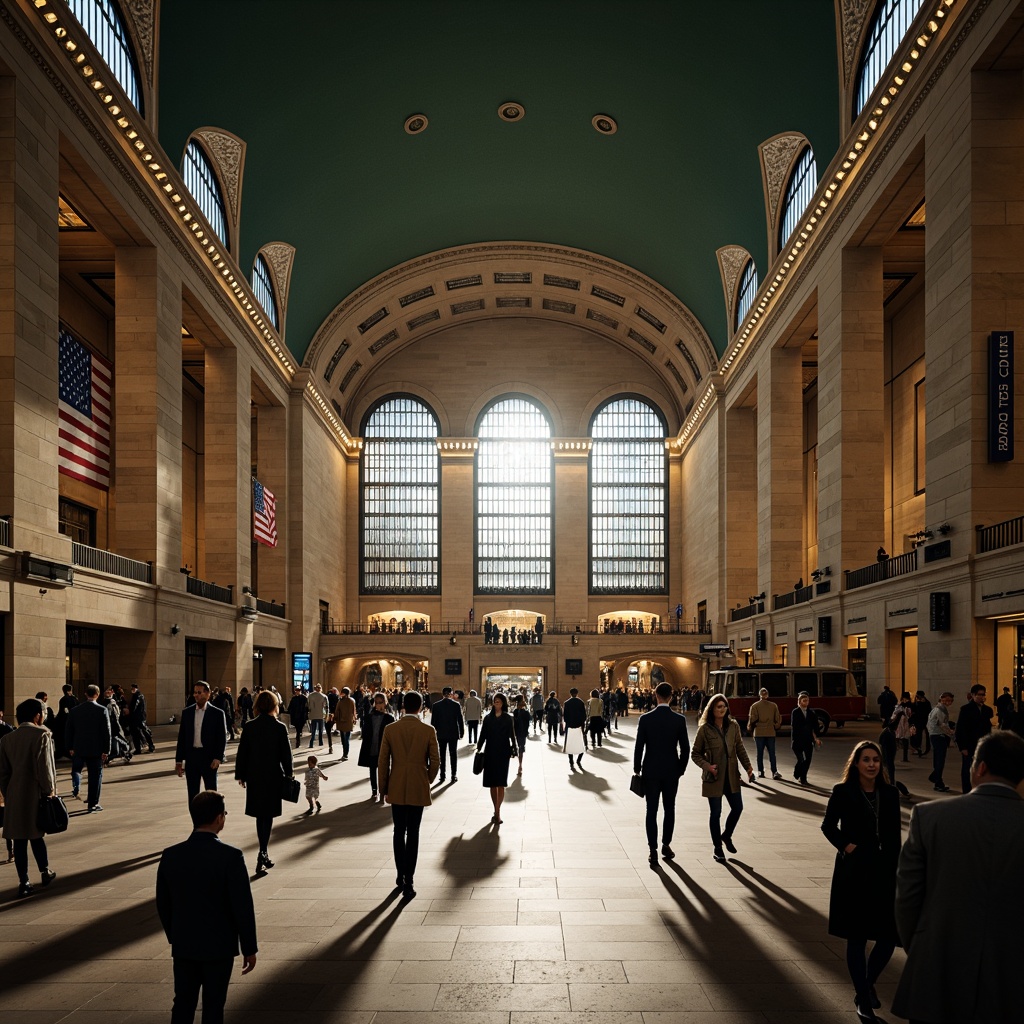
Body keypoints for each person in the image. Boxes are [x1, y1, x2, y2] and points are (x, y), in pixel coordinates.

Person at [892, 731, 1024, 1024]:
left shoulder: (929, 816)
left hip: (937, 970)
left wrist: (926, 949)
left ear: (980, 768)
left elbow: (907, 899)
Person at [156, 791, 257, 1024]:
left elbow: (163, 902)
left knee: (182, 1002)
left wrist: (175, 935)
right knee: (214, 1004)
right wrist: (249, 947)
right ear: (219, 818)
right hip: (219, 946)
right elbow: (242, 905)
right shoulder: (231, 856)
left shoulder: (171, 855)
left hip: (184, 944)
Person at [820, 740, 901, 1023]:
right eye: (866, 759)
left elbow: (894, 835)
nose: (871, 765)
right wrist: (848, 847)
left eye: (875, 760)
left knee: (889, 936)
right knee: (857, 936)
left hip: (884, 871)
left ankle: (866, 984)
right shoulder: (843, 792)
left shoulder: (890, 794)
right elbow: (828, 826)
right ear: (856, 764)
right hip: (854, 871)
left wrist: (897, 865)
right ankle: (864, 1001)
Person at [378, 690, 440, 899]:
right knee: (413, 832)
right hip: (417, 784)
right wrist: (427, 779)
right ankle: (409, 880)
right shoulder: (428, 730)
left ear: (403, 706)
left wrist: (383, 787)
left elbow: (383, 761)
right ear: (421, 706)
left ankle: (399, 873)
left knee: (398, 831)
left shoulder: (391, 729)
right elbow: (436, 760)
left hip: (396, 784)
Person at [0, 698, 58, 898]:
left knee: (20, 838)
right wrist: (49, 790)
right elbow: (46, 768)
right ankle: (45, 871)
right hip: (35, 792)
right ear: (37, 715)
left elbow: (3, 773)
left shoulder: (7, 739)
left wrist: (8, 793)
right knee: (37, 834)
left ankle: (23, 881)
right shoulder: (43, 734)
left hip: (15, 793)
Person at [234, 689, 294, 874]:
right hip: (272, 776)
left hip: (254, 776)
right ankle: (263, 851)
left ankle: (263, 851)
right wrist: (289, 775)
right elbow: (286, 755)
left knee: (260, 815)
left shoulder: (250, 727)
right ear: (274, 706)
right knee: (267, 816)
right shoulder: (279, 727)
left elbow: (242, 753)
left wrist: (241, 775)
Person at [691, 692, 754, 863]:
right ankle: (717, 848)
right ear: (712, 709)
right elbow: (695, 754)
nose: (722, 709)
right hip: (714, 777)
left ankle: (726, 835)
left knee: (738, 807)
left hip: (732, 776)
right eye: (719, 707)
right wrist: (708, 767)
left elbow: (740, 748)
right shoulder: (704, 729)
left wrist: (748, 766)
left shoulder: (733, 726)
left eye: (724, 706)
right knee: (716, 813)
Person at [633, 681, 690, 866]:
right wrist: (680, 769)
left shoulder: (646, 719)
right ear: (671, 697)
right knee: (669, 808)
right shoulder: (679, 720)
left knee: (651, 810)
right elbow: (685, 748)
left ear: (656, 696)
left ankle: (652, 850)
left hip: (650, 771)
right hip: (671, 771)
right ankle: (666, 844)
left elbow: (639, 746)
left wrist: (637, 767)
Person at [175, 682, 228, 808]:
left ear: (208, 694)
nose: (196, 695)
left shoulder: (217, 713)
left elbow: (221, 737)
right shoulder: (187, 713)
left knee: (211, 792)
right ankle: (196, 823)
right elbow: (182, 737)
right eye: (195, 692)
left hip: (209, 758)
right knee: (192, 794)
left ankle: (214, 818)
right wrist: (178, 760)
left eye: (199, 692)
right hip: (192, 757)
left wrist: (218, 757)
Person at [66, 683, 111, 811]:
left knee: (77, 770)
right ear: (97, 695)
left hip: (79, 747)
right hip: (96, 749)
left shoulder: (75, 710)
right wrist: (106, 750)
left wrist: (70, 746)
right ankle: (93, 802)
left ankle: (76, 788)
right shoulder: (102, 710)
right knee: (95, 776)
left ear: (86, 694)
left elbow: (69, 730)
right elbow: (106, 732)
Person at [477, 692, 517, 824]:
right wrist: (478, 748)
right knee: (492, 784)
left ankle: (497, 812)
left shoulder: (508, 718)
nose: (496, 703)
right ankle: (496, 810)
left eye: (499, 701)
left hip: (503, 753)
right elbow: (483, 734)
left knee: (501, 783)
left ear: (503, 703)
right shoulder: (488, 718)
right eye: (495, 701)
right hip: (490, 752)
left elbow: (512, 735)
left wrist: (514, 749)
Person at [954, 683, 993, 793]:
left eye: (983, 694)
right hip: (969, 744)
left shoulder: (987, 710)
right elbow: (961, 729)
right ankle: (966, 791)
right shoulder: (966, 709)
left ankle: (980, 789)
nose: (982, 697)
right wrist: (963, 747)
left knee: (982, 769)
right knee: (967, 769)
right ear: (973, 695)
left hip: (983, 745)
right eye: (979, 695)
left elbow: (987, 729)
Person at [358, 692, 394, 801]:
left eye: (381, 702)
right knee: (372, 769)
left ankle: (384, 791)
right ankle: (374, 791)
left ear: (385, 703)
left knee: (385, 771)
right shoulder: (369, 717)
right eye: (377, 703)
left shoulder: (389, 718)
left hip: (383, 748)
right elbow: (365, 733)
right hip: (372, 747)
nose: (379, 705)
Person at [430, 685, 464, 783]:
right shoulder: (456, 705)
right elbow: (460, 720)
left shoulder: (436, 705)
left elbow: (433, 722)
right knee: (453, 754)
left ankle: (442, 775)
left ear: (442, 694)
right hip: (453, 733)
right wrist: (461, 732)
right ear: (451, 694)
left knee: (442, 754)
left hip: (441, 733)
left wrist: (433, 733)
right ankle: (453, 775)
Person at [746, 687, 782, 779]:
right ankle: (774, 772)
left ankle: (761, 772)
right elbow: (777, 719)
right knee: (772, 753)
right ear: (767, 695)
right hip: (770, 732)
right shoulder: (774, 705)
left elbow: (752, 719)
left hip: (759, 732)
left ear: (759, 695)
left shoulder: (754, 706)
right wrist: (775, 726)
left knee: (760, 753)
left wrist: (750, 727)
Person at [925, 690, 955, 792]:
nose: (948, 702)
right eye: (946, 700)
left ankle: (938, 782)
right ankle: (935, 778)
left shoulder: (937, 708)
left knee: (937, 759)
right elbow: (942, 725)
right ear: (941, 699)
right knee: (940, 760)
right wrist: (951, 733)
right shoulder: (940, 710)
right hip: (938, 736)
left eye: (950, 700)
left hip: (935, 735)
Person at [790, 691, 822, 786]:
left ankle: (803, 779)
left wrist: (817, 738)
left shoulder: (811, 713)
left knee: (808, 760)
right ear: (799, 701)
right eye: (804, 701)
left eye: (807, 701)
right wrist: (795, 739)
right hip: (797, 741)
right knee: (801, 760)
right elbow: (794, 726)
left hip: (808, 741)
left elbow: (815, 726)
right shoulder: (795, 712)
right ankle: (797, 773)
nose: (806, 702)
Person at [562, 687, 587, 770]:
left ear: (570, 694)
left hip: (570, 726)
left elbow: (565, 717)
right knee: (581, 744)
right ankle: (579, 760)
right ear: (577, 693)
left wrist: (567, 723)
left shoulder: (567, 703)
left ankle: (571, 761)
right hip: (579, 726)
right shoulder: (581, 702)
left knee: (570, 744)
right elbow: (584, 716)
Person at [127, 683, 155, 754]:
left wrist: (130, 712)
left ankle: (142, 747)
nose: (132, 690)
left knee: (139, 732)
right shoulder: (139, 695)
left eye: (133, 688)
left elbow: (134, 706)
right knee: (142, 732)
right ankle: (148, 746)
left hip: (137, 718)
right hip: (140, 717)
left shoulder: (137, 696)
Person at [335, 686, 357, 761]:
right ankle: (345, 754)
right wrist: (354, 718)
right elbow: (354, 711)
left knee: (343, 739)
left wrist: (335, 718)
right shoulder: (351, 701)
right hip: (348, 721)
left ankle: (345, 753)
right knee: (346, 738)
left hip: (341, 722)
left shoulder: (340, 701)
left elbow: (337, 711)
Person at [512, 694, 531, 775]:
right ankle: (520, 765)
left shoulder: (515, 712)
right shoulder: (526, 712)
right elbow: (529, 720)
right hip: (522, 732)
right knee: (521, 749)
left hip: (516, 732)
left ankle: (519, 764)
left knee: (518, 747)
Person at [306, 683, 329, 748]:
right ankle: (320, 742)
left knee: (313, 730)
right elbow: (327, 707)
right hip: (321, 715)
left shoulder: (310, 696)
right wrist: (326, 715)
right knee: (320, 730)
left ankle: (311, 743)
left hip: (313, 715)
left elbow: (307, 705)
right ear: (321, 689)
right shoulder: (324, 696)